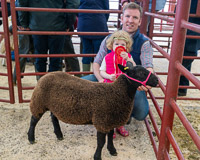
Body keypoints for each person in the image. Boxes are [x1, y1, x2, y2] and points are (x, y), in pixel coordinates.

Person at [82, 2, 154, 122]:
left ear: (140, 21)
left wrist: (144, 82)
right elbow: (97, 63)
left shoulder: (144, 43)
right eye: (127, 16)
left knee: (141, 113)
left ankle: (124, 114)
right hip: (108, 77)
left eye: (135, 17)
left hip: (130, 84)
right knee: (81, 85)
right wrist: (100, 79)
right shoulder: (109, 39)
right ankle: (96, 113)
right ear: (122, 18)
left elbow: (148, 67)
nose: (130, 20)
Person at [18, 0, 80, 80]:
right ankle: (52, 84)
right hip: (58, 25)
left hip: (37, 24)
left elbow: (22, 3)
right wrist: (68, 23)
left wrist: (25, 23)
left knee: (40, 57)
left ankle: (41, 84)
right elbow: (73, 4)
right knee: (56, 58)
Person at [100, 30, 135, 138]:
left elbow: (134, 69)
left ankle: (120, 125)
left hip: (124, 88)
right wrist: (108, 76)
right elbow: (102, 71)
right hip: (110, 86)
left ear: (127, 46)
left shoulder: (128, 57)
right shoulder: (107, 58)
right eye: (117, 44)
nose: (119, 46)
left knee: (122, 107)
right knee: (110, 107)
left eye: (123, 44)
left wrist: (129, 59)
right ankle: (111, 128)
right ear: (111, 45)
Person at [77, 0, 109, 72]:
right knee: (99, 53)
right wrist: (103, 18)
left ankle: (86, 75)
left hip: (84, 23)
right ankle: (97, 75)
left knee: (86, 52)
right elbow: (107, 9)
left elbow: (75, 6)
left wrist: (81, 15)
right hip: (99, 23)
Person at [178, 0, 200, 96]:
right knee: (184, 55)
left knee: (185, 58)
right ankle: (182, 87)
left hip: (192, 30)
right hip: (188, 27)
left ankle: (179, 86)